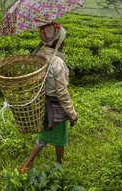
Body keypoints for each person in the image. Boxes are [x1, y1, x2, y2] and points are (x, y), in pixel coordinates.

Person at [19, 22, 78, 173]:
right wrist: (72, 114)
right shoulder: (57, 63)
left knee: (52, 135)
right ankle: (35, 163)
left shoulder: (39, 56)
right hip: (56, 106)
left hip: (42, 103)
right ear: (58, 41)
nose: (64, 42)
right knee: (53, 136)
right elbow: (62, 93)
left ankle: (52, 162)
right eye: (63, 39)